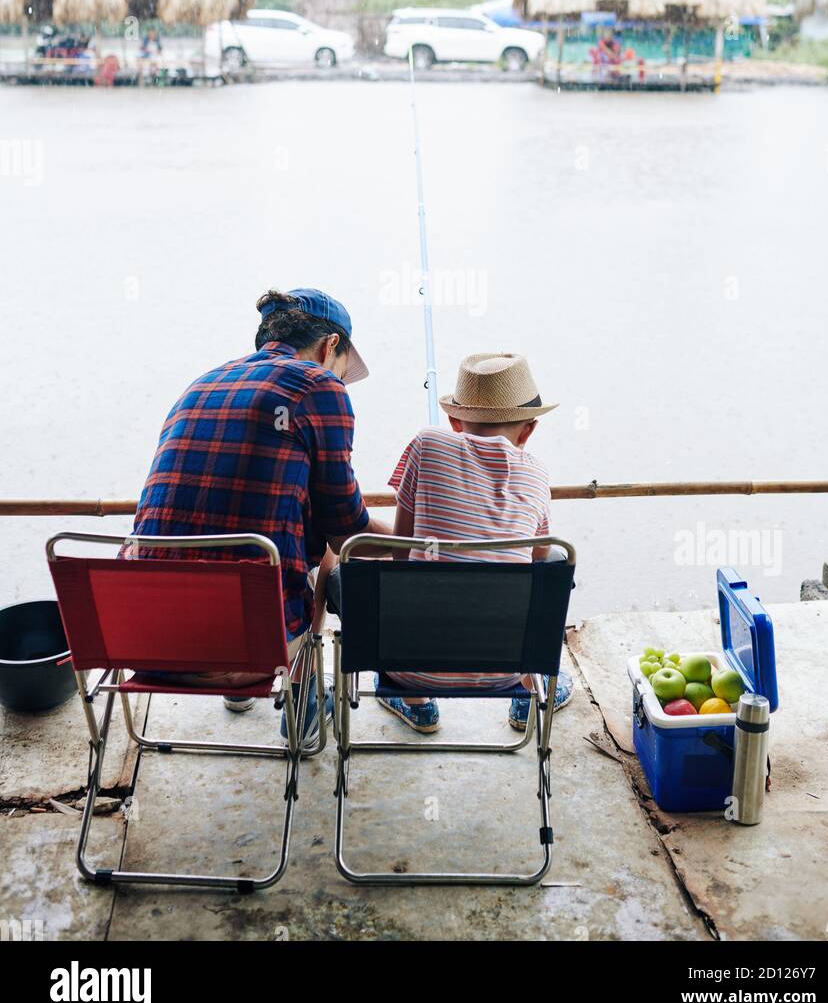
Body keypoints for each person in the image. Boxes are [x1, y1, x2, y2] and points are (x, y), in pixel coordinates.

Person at [126, 287, 389, 743]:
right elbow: (347, 531)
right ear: (331, 347)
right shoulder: (319, 385)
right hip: (244, 652)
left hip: (143, 639)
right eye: (344, 368)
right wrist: (420, 541)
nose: (341, 379)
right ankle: (303, 702)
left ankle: (239, 697)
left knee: (230, 527)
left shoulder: (202, 382)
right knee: (325, 549)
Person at [354, 352, 573, 734]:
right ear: (529, 430)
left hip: (409, 666)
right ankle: (527, 696)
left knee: (400, 576)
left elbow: (402, 552)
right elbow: (539, 557)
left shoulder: (426, 444)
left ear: (455, 421)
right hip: (508, 667)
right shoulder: (537, 473)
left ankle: (418, 704)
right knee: (552, 564)